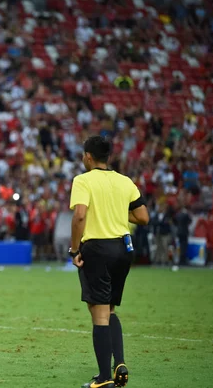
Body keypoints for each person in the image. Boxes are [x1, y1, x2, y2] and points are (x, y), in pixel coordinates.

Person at [68, 136, 149, 388]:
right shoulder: (125, 181)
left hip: (98, 249)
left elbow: (80, 215)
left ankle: (104, 379)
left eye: (84, 155)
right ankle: (119, 364)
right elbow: (143, 217)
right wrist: (115, 213)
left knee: (99, 313)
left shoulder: (83, 180)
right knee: (110, 308)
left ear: (89, 157)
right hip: (123, 249)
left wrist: (74, 249)